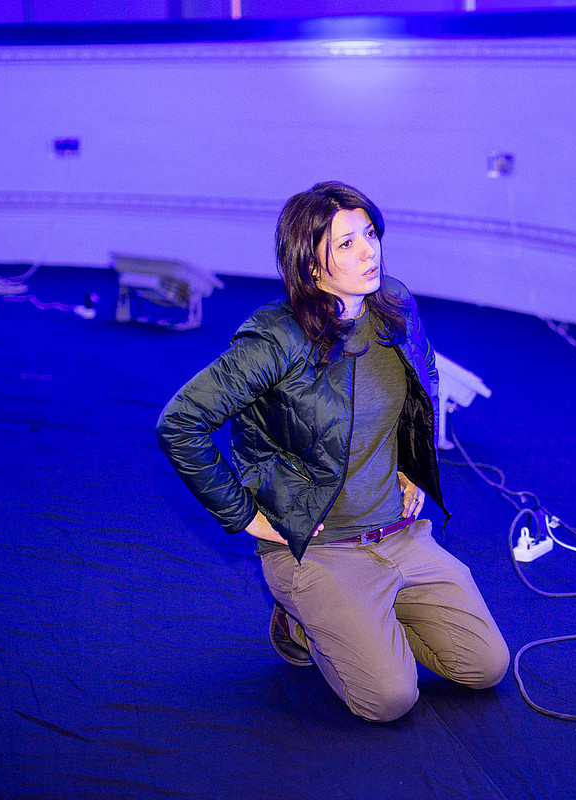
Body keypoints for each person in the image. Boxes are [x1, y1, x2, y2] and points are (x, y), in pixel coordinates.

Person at [155, 181, 509, 722]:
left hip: (401, 533)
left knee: (485, 667)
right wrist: (247, 517)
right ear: (310, 264)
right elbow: (180, 423)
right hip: (319, 548)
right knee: (389, 700)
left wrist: (411, 465)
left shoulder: (393, 304)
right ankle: (303, 618)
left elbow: (425, 376)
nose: (369, 252)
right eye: (346, 243)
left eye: (369, 234)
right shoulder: (276, 338)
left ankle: (366, 620)